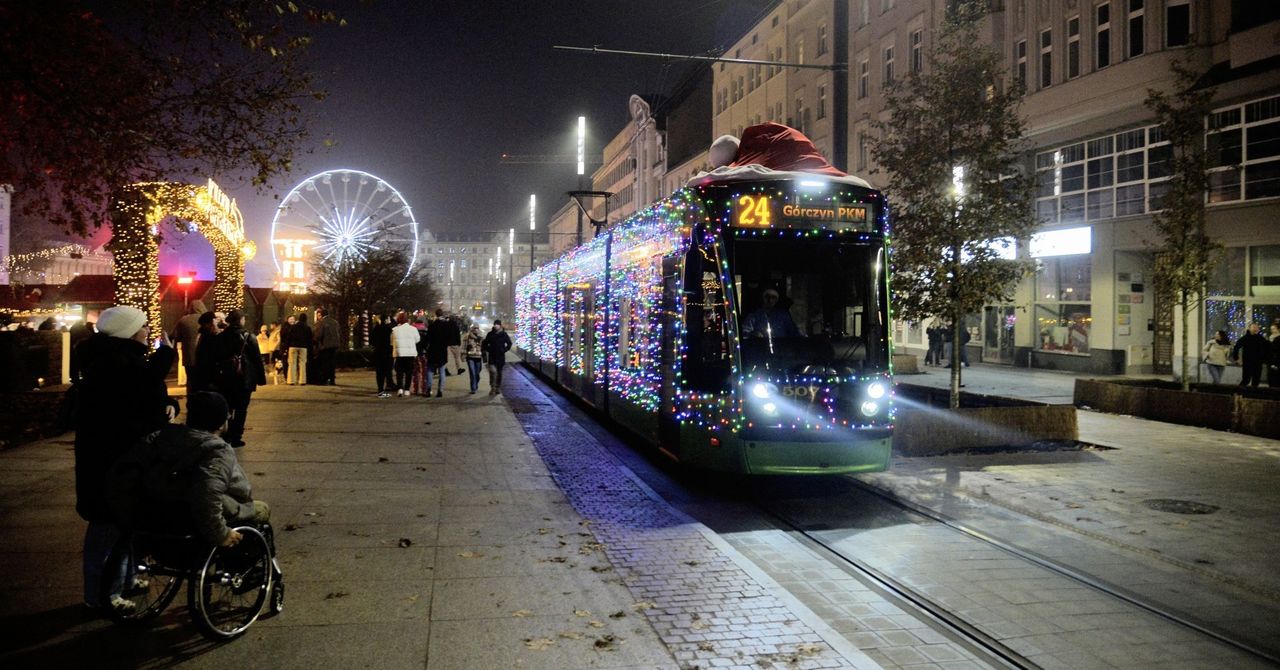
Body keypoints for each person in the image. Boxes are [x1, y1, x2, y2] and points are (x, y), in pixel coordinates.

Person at [72, 305, 177, 613]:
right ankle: (101, 595)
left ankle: (126, 578)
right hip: (110, 463)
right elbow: (136, 396)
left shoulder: (117, 360)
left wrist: (168, 405)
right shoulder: (115, 366)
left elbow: (146, 398)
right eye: (143, 326)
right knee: (107, 528)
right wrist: (165, 357)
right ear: (128, 332)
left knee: (127, 524)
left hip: (121, 461)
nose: (148, 331)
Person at [105, 391, 270, 550]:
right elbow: (208, 494)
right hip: (195, 517)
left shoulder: (159, 437)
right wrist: (220, 534)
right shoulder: (217, 450)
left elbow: (123, 474)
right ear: (221, 423)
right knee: (261, 510)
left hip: (157, 512)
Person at [212, 310, 266, 448]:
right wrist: (260, 378)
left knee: (228, 406)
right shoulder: (248, 336)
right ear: (240, 320)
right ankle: (237, 436)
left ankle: (227, 433)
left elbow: (216, 356)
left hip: (226, 376)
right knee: (242, 408)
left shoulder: (221, 336)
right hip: (244, 377)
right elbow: (257, 358)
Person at [171, 299, 207, 387]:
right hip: (204, 357)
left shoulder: (183, 320)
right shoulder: (206, 320)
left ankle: (191, 398)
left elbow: (174, 336)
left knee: (191, 381)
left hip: (189, 358)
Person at [190, 311, 221, 391]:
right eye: (214, 320)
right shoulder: (210, 337)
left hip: (202, 372)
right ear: (210, 323)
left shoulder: (202, 335)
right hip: (209, 373)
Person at [391, 312, 420, 397]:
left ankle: (400, 388)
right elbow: (417, 339)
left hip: (399, 354)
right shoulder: (413, 329)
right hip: (410, 353)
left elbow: (392, 342)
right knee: (409, 372)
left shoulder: (394, 330)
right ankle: (407, 390)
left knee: (399, 372)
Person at [425, 309, 452, 397]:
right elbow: (448, 338)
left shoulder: (432, 325)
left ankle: (428, 389)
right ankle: (440, 390)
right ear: (442, 314)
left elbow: (428, 339)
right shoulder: (446, 325)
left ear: (436, 315)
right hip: (442, 351)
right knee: (442, 371)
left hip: (432, 350)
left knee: (430, 370)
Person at [1232, 322, 1268, 388]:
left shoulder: (1261, 338)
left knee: (1256, 381)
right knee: (1246, 380)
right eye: (1254, 327)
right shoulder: (1245, 338)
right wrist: (1236, 358)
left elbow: (1267, 349)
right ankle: (1239, 393)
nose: (1255, 329)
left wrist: (1265, 359)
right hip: (1247, 362)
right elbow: (1236, 347)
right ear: (1249, 328)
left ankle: (1253, 395)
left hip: (1258, 363)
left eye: (1257, 327)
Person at [482, 319, 513, 395]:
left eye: (497, 324)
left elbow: (509, 343)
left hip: (500, 357)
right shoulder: (490, 334)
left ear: (500, 325)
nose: (496, 325)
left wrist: (504, 350)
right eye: (495, 324)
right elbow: (485, 343)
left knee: (499, 373)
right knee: (493, 372)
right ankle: (492, 387)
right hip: (492, 356)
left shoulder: (504, 334)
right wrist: (489, 350)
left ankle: (498, 387)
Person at [313, 307, 340, 386]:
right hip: (334, 345)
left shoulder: (322, 322)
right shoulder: (335, 322)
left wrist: (315, 340)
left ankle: (324, 380)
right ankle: (332, 380)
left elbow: (318, 335)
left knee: (325, 363)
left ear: (321, 314)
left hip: (325, 346)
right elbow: (338, 332)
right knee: (332, 363)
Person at [371, 314, 396, 397]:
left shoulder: (376, 329)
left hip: (378, 352)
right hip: (388, 353)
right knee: (388, 370)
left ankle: (380, 389)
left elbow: (372, 341)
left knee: (379, 372)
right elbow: (392, 341)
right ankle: (388, 385)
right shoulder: (389, 329)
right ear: (386, 320)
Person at [284, 313, 312, 385]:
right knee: (302, 363)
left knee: (292, 363)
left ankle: (291, 380)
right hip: (303, 347)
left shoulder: (293, 327)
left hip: (293, 346)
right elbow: (309, 339)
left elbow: (288, 337)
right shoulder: (307, 328)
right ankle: (302, 380)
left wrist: (286, 347)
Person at [463, 324, 484, 394]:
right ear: (472, 329)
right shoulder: (467, 337)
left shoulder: (481, 337)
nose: (476, 329)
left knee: (477, 373)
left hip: (478, 357)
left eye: (477, 328)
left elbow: (484, 347)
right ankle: (473, 388)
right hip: (470, 357)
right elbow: (464, 346)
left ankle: (475, 384)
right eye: (474, 328)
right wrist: (463, 355)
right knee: (472, 373)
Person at [1269, 323, 1280, 388]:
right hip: (1271, 361)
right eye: (1271, 329)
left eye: (1273, 329)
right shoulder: (1271, 337)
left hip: (1277, 361)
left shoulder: (1277, 338)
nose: (1272, 330)